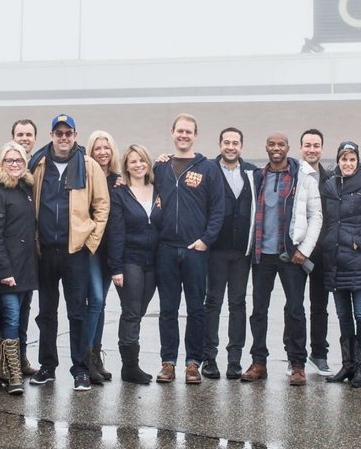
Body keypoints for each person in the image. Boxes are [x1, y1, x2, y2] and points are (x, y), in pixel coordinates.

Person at [28, 114, 110, 391]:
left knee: (78, 312)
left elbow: (101, 206)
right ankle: (47, 366)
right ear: (52, 135)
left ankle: (80, 369)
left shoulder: (88, 166)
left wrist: (90, 242)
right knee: (47, 313)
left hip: (76, 251)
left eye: (68, 133)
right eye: (58, 133)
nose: (64, 138)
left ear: (76, 135)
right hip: (46, 251)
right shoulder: (39, 164)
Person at [240, 132, 323, 387]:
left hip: (291, 255)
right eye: (271, 144)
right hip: (261, 255)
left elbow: (316, 215)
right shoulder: (257, 177)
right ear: (266, 147)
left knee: (296, 310)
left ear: (289, 148)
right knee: (259, 311)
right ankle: (259, 362)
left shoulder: (304, 177)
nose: (276, 148)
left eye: (281, 144)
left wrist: (305, 249)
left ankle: (297, 364)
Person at [153, 113, 225, 384]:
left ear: (195, 135)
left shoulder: (207, 168)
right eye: (179, 131)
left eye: (188, 132)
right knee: (168, 309)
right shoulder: (160, 167)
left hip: (196, 249)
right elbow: (144, 193)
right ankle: (168, 362)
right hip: (166, 249)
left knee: (196, 308)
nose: (183, 135)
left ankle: (193, 362)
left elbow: (218, 208)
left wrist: (206, 239)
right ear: (172, 132)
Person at [0, 120, 40, 377]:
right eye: (10, 160)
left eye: (19, 161)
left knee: (20, 316)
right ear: (1, 162)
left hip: (26, 266)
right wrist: (3, 269)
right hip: (7, 267)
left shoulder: (26, 186)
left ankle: (15, 362)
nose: (15, 164)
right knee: (8, 315)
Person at [320, 142, 361, 388]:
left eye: (352, 159)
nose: (347, 164)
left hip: (358, 261)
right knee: (343, 315)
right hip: (335, 261)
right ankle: (346, 364)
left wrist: (357, 242)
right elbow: (325, 219)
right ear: (338, 161)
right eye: (343, 159)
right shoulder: (330, 185)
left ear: (358, 162)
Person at [202, 127, 256, 380]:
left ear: (242, 146)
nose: (231, 146)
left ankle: (235, 359)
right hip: (215, 250)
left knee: (238, 304)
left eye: (236, 142)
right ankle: (209, 358)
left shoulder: (253, 173)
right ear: (220, 144)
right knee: (212, 303)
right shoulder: (209, 170)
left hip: (242, 251)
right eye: (227, 142)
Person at [108, 144, 160, 384]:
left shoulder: (159, 190)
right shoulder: (120, 193)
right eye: (132, 161)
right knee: (130, 312)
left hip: (154, 262)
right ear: (126, 167)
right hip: (130, 260)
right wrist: (116, 268)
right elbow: (116, 232)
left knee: (138, 312)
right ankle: (130, 367)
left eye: (142, 160)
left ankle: (130, 365)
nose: (138, 165)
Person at [84, 130, 120, 383]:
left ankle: (96, 356)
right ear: (90, 151)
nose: (103, 152)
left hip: (112, 250)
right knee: (95, 301)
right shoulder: (84, 177)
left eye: (106, 147)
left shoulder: (120, 180)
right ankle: (85, 358)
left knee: (102, 304)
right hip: (91, 249)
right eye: (97, 148)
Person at [299, 129, 334, 377]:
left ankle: (319, 354)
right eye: (308, 145)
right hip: (298, 252)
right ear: (301, 148)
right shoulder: (293, 175)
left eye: (316, 145)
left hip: (323, 253)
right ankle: (296, 356)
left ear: (322, 148)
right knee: (294, 306)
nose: (312, 149)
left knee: (319, 306)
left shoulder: (331, 179)